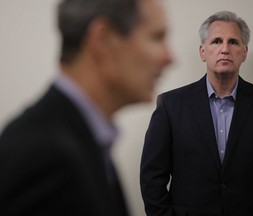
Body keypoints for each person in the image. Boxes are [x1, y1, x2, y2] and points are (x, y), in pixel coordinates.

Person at [0, 0, 172, 215]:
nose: (170, 58)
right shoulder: (43, 153)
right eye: (157, 37)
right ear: (103, 39)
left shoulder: (81, 136)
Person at [140, 11, 253, 216]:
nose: (225, 49)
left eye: (233, 42)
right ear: (202, 52)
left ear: (244, 52)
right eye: (217, 41)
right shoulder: (171, 105)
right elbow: (152, 176)